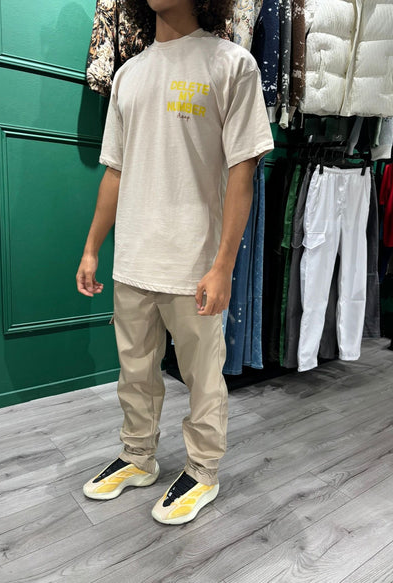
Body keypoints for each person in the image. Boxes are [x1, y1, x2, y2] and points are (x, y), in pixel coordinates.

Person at [76, 0, 273, 525]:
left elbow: (243, 170)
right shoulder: (128, 74)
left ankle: (203, 470)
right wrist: (93, 247)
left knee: (203, 377)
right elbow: (115, 171)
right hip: (133, 258)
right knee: (135, 373)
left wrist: (223, 265)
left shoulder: (232, 64)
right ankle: (138, 456)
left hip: (194, 264)